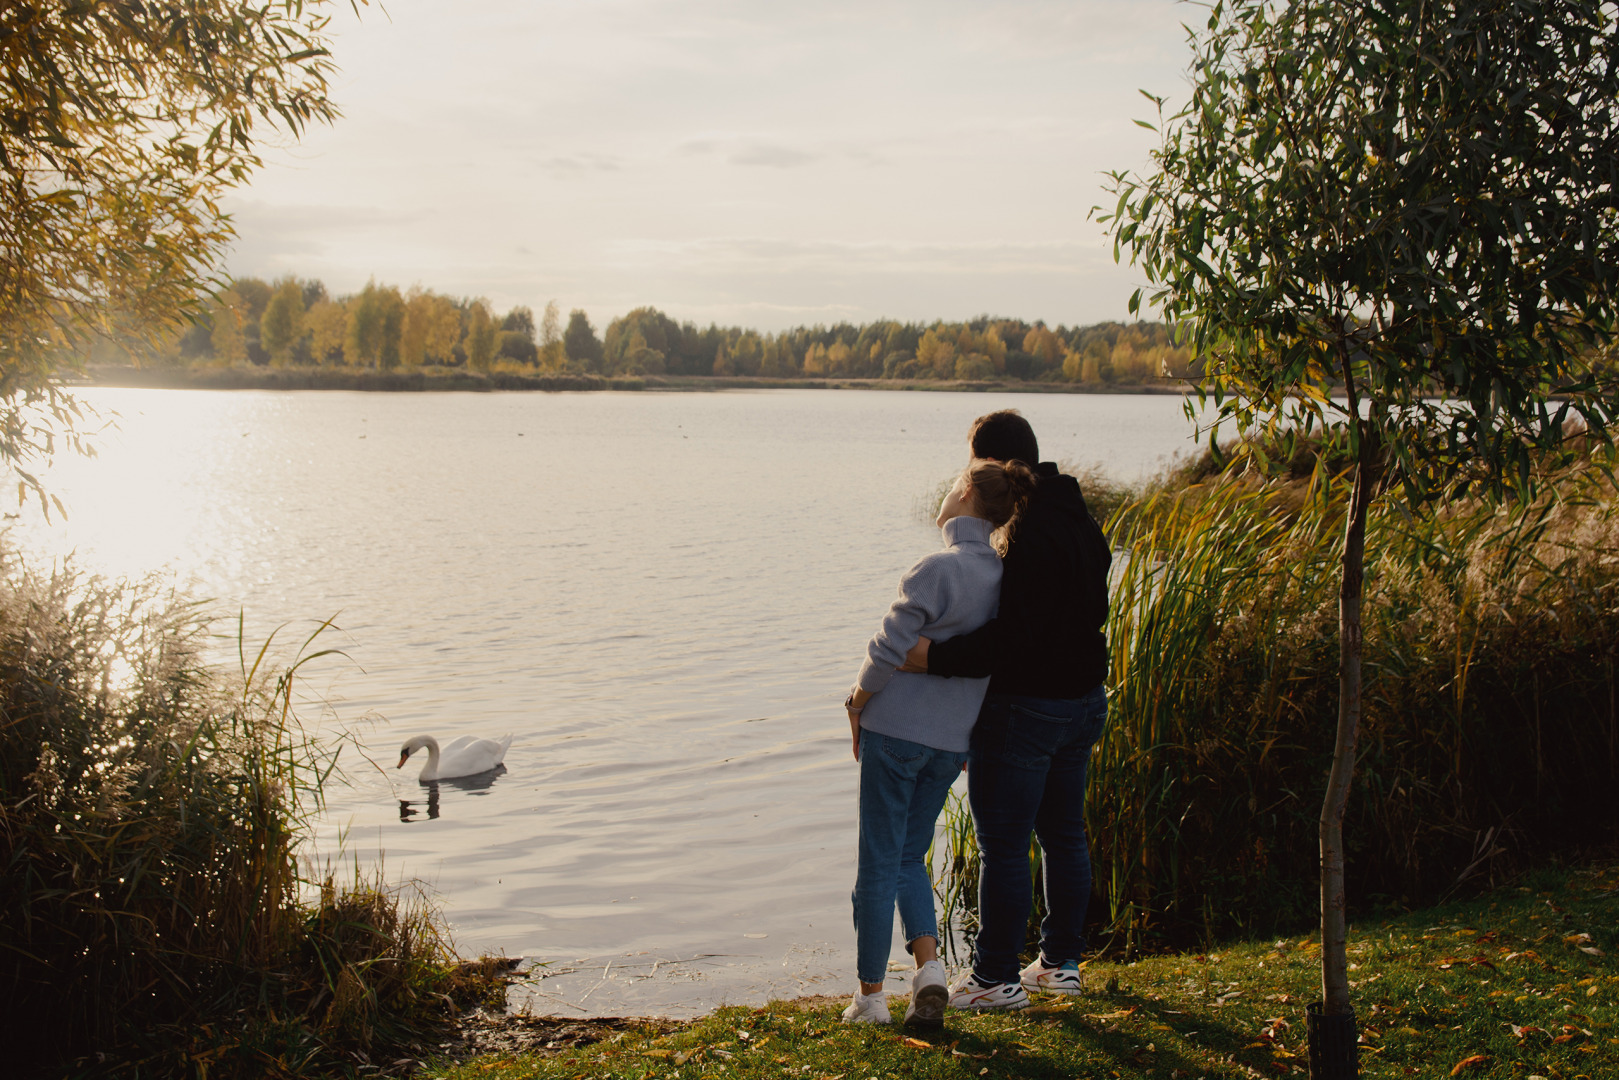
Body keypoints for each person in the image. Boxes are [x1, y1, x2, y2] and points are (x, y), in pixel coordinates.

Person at [902, 409, 1111, 1010]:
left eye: (973, 467)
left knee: (1003, 844)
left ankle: (995, 978)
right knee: (1065, 834)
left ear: (990, 463)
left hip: (1028, 708)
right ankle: (1060, 963)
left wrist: (929, 657)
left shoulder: (1025, 531)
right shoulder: (1080, 517)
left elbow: (1011, 639)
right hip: (1082, 701)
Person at [841, 458, 1036, 1028]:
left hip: (896, 732)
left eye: (953, 484)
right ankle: (929, 973)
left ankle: (870, 998)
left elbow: (886, 649)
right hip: (952, 745)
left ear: (967, 492)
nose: (946, 493)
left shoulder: (936, 568)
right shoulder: (1004, 577)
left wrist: (856, 702)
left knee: (877, 864)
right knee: (908, 857)